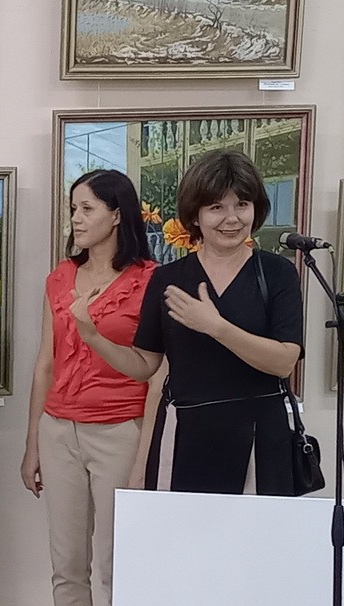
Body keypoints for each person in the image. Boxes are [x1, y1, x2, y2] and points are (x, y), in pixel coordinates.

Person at [73, 150, 303, 495]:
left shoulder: (276, 272)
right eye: (216, 207)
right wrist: (93, 336)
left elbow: (284, 361)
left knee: (253, 531)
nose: (232, 218)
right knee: (181, 530)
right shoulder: (168, 278)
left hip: (260, 435)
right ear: (195, 215)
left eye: (242, 205)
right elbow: (144, 365)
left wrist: (216, 327)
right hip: (183, 434)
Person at [19, 169, 157, 606]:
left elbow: (155, 370)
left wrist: (146, 450)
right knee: (67, 566)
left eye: (86, 208)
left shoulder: (149, 280)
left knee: (116, 566)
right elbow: (45, 363)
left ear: (117, 214)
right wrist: (33, 442)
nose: (75, 218)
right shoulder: (59, 278)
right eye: (73, 208)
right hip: (59, 431)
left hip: (119, 430)